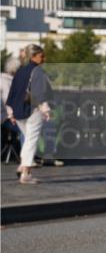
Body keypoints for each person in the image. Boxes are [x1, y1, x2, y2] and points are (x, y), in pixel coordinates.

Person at [5, 45, 52, 184]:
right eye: (41, 56)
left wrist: (10, 112)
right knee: (31, 141)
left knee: (28, 140)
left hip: (18, 111)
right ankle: (26, 173)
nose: (44, 59)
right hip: (33, 110)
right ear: (34, 56)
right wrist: (46, 110)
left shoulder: (20, 71)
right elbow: (40, 93)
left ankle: (22, 167)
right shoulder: (38, 71)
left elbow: (12, 92)